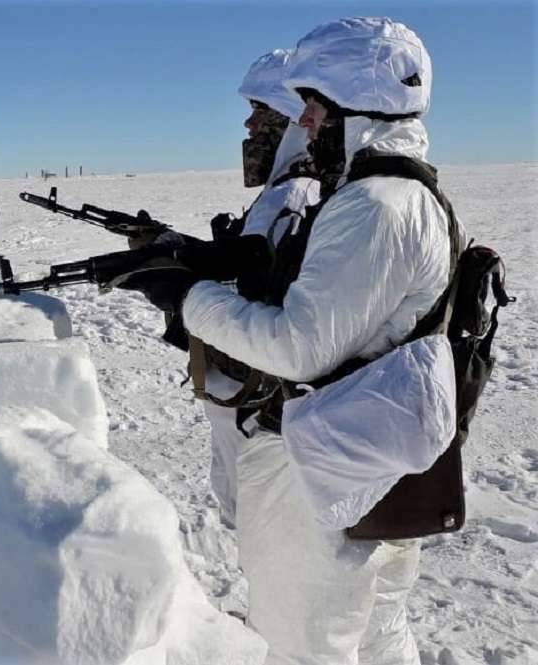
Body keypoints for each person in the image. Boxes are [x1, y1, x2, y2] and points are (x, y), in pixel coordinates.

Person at [178, 18, 455, 664]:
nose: (301, 123)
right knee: (381, 636)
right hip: (373, 461)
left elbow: (298, 347)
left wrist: (190, 300)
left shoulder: (374, 207)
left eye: (312, 106)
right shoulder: (402, 192)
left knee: (303, 648)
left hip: (323, 482)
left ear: (353, 107)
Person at [199, 49, 321, 526]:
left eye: (260, 112)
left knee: (266, 524)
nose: (250, 127)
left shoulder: (294, 194)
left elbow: (264, 299)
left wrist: (190, 291)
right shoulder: (287, 190)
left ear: (293, 119)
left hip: (258, 402)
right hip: (249, 399)